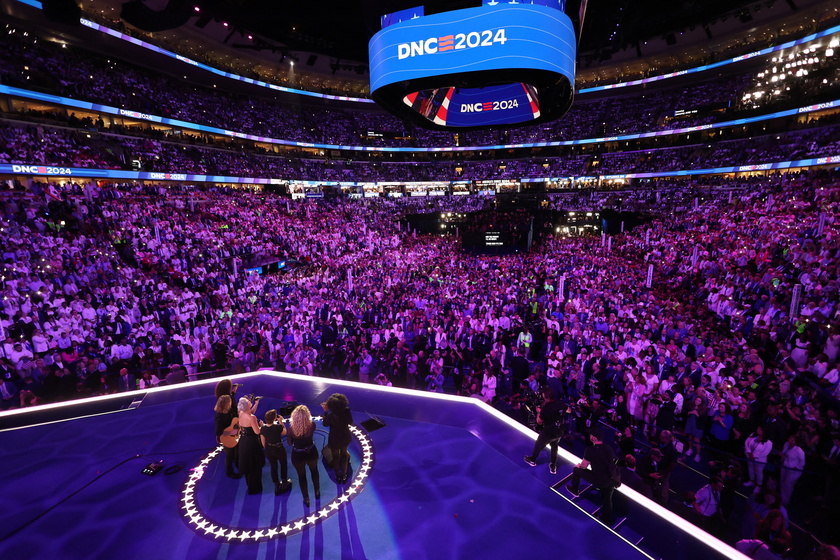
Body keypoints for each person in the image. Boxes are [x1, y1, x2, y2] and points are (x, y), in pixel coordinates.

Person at [567, 427, 617, 523]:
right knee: (607, 500)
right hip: (610, 480)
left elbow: (584, 466)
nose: (589, 436)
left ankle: (574, 490)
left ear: (594, 438)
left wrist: (579, 466)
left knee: (576, 469)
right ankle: (606, 518)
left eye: (591, 435)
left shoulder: (590, 449)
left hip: (599, 480)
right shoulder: (609, 448)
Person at [524, 387, 566, 474]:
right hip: (559, 430)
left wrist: (539, 412)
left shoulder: (546, 408)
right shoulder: (560, 403)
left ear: (546, 397)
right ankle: (553, 464)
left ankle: (532, 460)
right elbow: (569, 410)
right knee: (554, 446)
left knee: (539, 444)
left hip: (549, 431)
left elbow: (539, 422)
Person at [288, 404, 320, 507]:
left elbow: (289, 443)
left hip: (297, 455)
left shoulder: (291, 429)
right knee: (314, 471)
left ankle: (306, 498)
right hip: (311, 452)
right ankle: (317, 492)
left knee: (301, 476)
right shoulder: (312, 425)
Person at [322, 393, 354, 483]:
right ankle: (344, 475)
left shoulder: (330, 416)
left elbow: (325, 423)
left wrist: (325, 411)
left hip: (334, 438)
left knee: (335, 457)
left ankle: (338, 476)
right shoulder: (347, 411)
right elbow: (350, 422)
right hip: (345, 436)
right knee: (344, 455)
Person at [260, 409, 291, 495]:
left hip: (269, 449)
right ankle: (284, 482)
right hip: (279, 449)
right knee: (283, 464)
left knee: (273, 467)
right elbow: (285, 432)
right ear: (274, 418)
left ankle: (277, 484)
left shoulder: (263, 428)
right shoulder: (278, 427)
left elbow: (263, 442)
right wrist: (281, 421)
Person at [237, 395, 264, 494]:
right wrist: (262, 426)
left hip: (244, 441)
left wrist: (256, 403)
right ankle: (256, 487)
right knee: (255, 464)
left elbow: (250, 412)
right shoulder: (252, 418)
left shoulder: (241, 413)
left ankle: (250, 485)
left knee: (248, 464)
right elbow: (257, 432)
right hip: (252, 442)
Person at [214, 394, 241, 479]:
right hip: (227, 438)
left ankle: (240, 467)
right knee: (229, 456)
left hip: (234, 436)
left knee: (237, 453)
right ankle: (229, 472)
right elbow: (218, 432)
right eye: (229, 401)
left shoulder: (229, 411)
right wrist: (230, 432)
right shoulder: (219, 417)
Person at [779, 433, 805, 505]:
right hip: (784, 466)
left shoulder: (799, 450)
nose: (790, 440)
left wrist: (796, 468)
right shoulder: (786, 444)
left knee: (788, 485)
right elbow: (783, 453)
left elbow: (802, 462)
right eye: (790, 438)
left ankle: (785, 501)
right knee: (782, 482)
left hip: (793, 470)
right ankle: (781, 497)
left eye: (792, 440)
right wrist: (782, 455)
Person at [744, 426, 772, 492]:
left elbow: (765, 453)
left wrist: (754, 456)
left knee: (759, 472)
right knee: (750, 469)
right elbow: (746, 442)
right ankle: (751, 481)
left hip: (759, 460)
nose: (757, 430)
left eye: (760, 430)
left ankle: (758, 485)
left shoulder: (769, 442)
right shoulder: (752, 435)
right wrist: (749, 452)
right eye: (758, 429)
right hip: (749, 456)